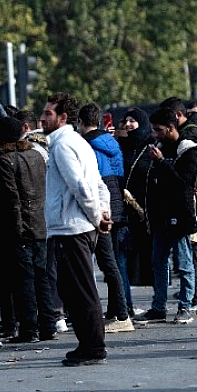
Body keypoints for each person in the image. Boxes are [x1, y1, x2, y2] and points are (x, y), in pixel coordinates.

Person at [40, 92, 111, 367]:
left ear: (63, 118)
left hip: (73, 228)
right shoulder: (75, 143)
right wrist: (102, 213)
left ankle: (93, 347)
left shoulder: (64, 146)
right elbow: (98, 184)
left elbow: (82, 186)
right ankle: (88, 344)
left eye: (48, 114)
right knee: (72, 291)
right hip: (72, 226)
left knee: (81, 291)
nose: (43, 118)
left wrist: (97, 217)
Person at [133, 107, 197, 325]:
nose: (155, 134)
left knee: (184, 262)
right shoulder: (158, 147)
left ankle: (185, 306)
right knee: (158, 262)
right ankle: (158, 306)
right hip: (159, 217)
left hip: (179, 215)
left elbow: (183, 184)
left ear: (171, 128)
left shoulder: (187, 150)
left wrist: (162, 162)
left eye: (159, 130)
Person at [0, 116, 55, 343]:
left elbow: (11, 198)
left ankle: (29, 328)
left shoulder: (3, 160)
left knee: (24, 280)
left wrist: (16, 229)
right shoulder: (36, 155)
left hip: (19, 228)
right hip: (39, 223)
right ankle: (48, 324)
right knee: (42, 277)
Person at [77, 103, 133, 333]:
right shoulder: (112, 143)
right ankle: (116, 311)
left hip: (101, 205)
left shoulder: (86, 146)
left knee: (107, 262)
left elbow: (92, 179)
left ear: (80, 122)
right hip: (116, 201)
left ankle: (121, 314)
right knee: (113, 261)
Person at [118, 107, 155, 304]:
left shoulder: (151, 146)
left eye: (133, 120)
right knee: (126, 258)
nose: (128, 124)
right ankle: (127, 306)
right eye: (126, 121)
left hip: (147, 209)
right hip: (126, 210)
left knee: (155, 258)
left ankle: (160, 302)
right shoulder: (122, 146)